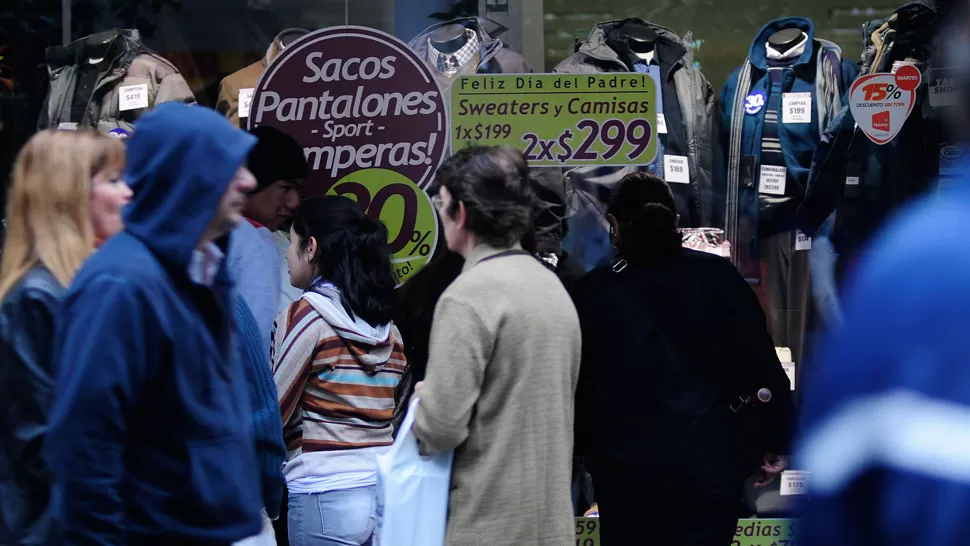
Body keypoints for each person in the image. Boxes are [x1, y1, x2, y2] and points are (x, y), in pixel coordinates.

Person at [44, 103, 265, 544]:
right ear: (188, 174)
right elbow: (83, 447)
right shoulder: (120, 284)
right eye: (230, 167)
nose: (249, 181)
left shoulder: (199, 269)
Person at [571, 172, 793, 546]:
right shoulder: (717, 277)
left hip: (626, 477)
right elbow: (758, 360)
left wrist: (583, 453)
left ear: (614, 225)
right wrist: (776, 439)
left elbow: (580, 387)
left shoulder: (596, 291)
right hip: (706, 469)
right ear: (675, 221)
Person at [412, 146, 581, 546]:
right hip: (552, 527)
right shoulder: (551, 288)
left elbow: (440, 428)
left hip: (489, 527)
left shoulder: (467, 297)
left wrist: (426, 401)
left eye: (442, 202)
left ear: (462, 214)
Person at [0, 129, 128, 545]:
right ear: (68, 194)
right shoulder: (37, 297)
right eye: (112, 180)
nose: (129, 193)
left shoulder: (83, 286)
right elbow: (44, 443)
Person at [272, 196, 407, 546]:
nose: (287, 255)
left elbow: (276, 410)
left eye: (292, 242)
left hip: (321, 494)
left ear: (311, 247)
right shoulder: (389, 328)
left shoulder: (306, 315)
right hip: (379, 493)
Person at [229, 125, 308, 351]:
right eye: (285, 187)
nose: (294, 202)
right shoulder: (251, 243)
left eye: (298, 191)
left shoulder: (281, 242)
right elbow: (256, 343)